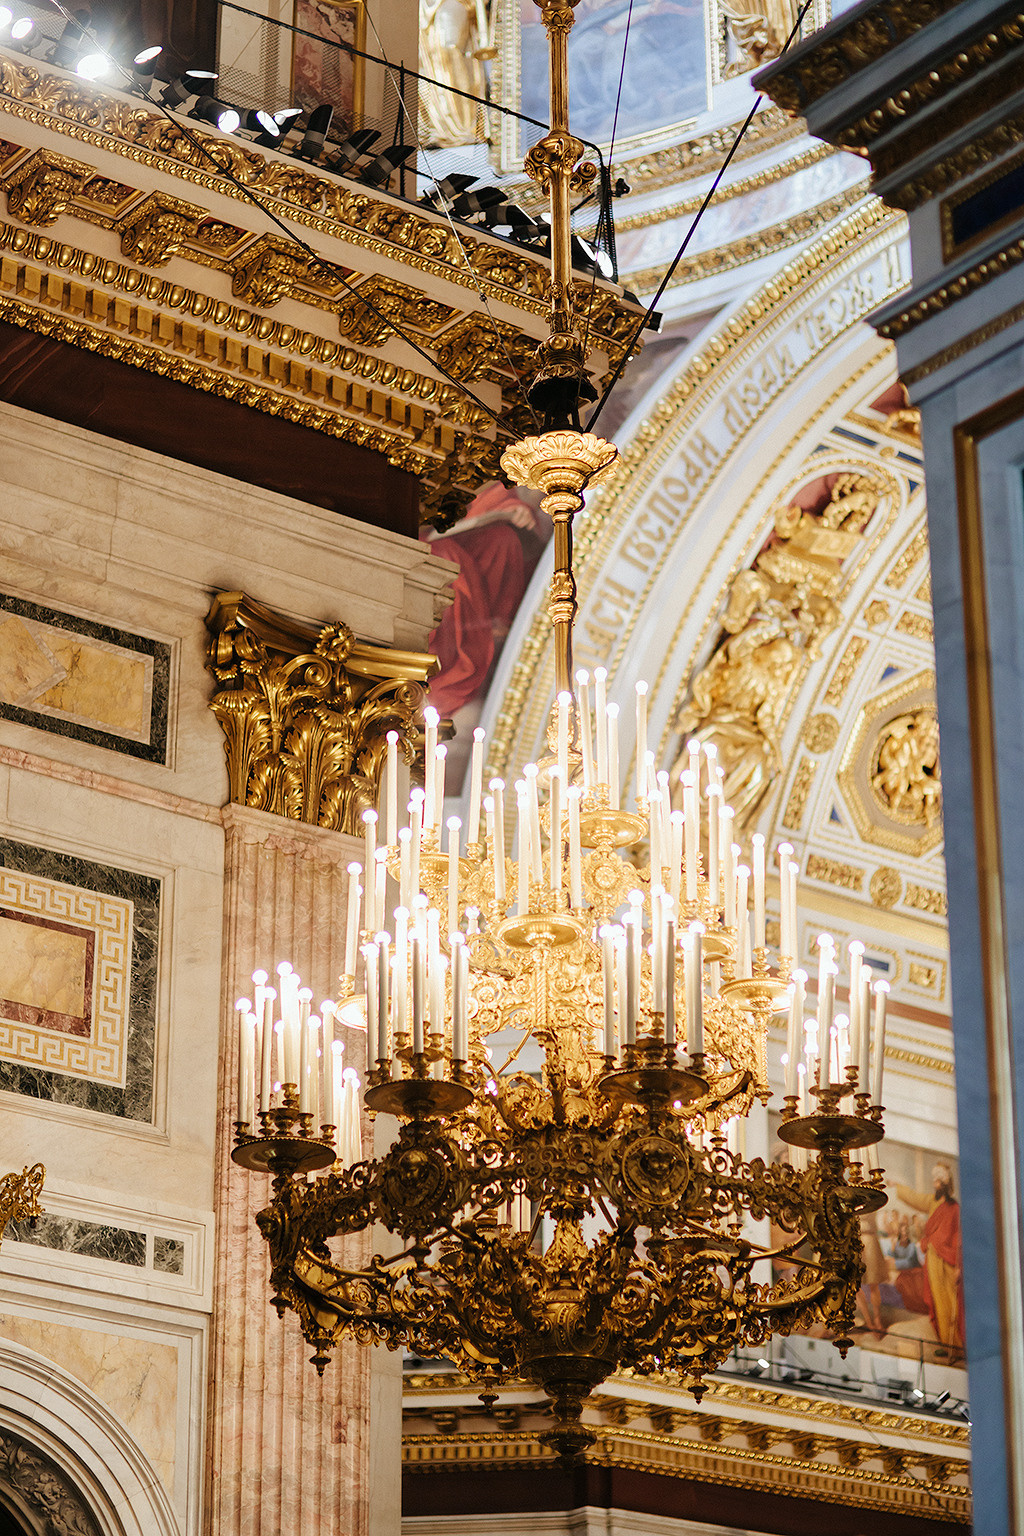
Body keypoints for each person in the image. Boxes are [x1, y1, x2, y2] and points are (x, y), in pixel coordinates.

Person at [893, 1161, 964, 1355]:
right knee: (937, 1302)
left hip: (947, 1262)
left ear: (946, 1184)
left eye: (938, 1181)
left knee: (950, 1303)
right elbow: (915, 1198)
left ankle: (956, 1346)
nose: (934, 1184)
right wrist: (897, 1187)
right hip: (933, 1260)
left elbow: (958, 1239)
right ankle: (946, 1344)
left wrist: (959, 1266)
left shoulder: (954, 1208)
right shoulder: (933, 1201)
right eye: (934, 1181)